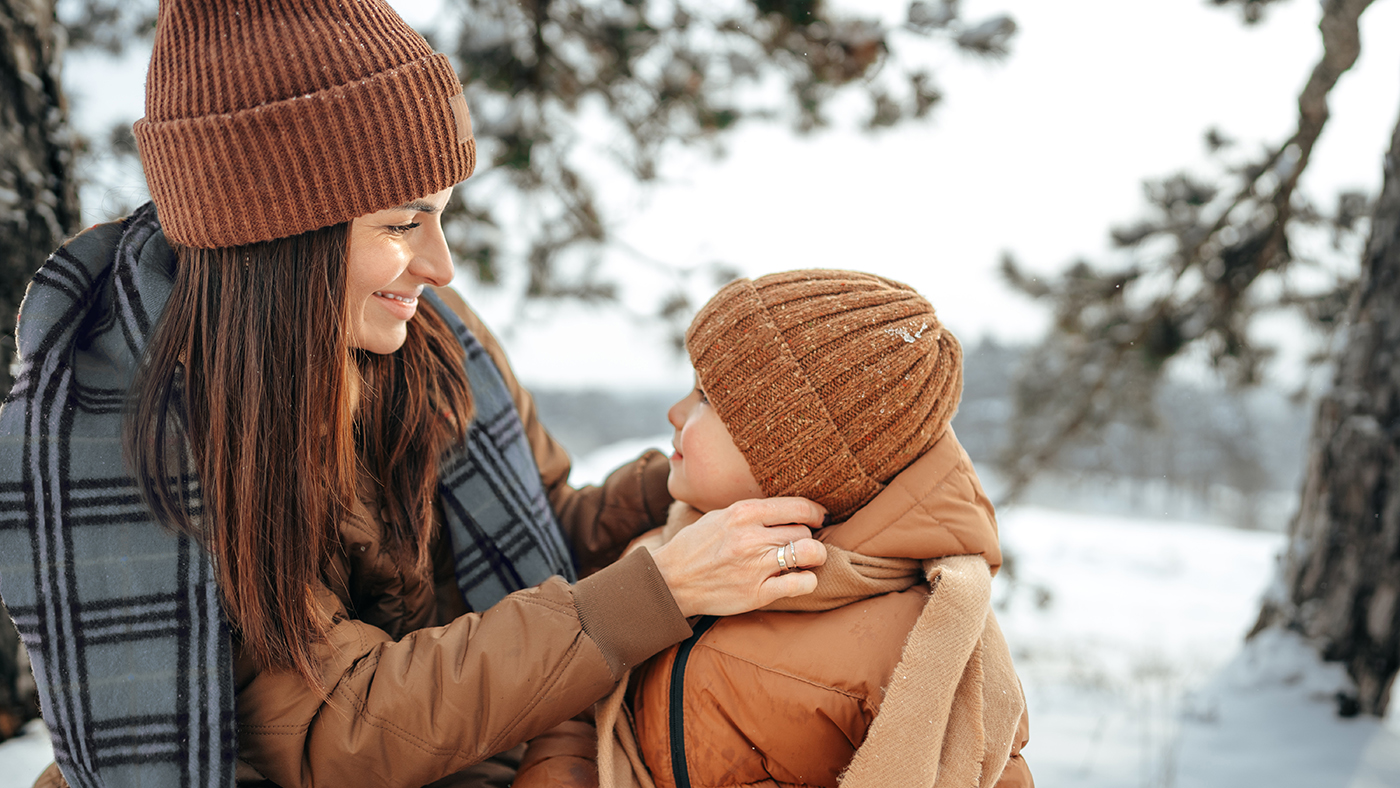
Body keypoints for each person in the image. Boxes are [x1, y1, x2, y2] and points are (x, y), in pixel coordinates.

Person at [0, 3, 831, 786]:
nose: (441, 265)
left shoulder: (431, 340)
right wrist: (657, 591)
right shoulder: (141, 445)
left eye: (442, 215)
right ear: (282, 238)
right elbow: (338, 727)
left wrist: (698, 476)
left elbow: (540, 539)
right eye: (401, 226)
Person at [518, 270, 1032, 787]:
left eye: (706, 399)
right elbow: (585, 715)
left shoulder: (921, 645)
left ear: (793, 461)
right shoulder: (664, 549)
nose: (674, 413)